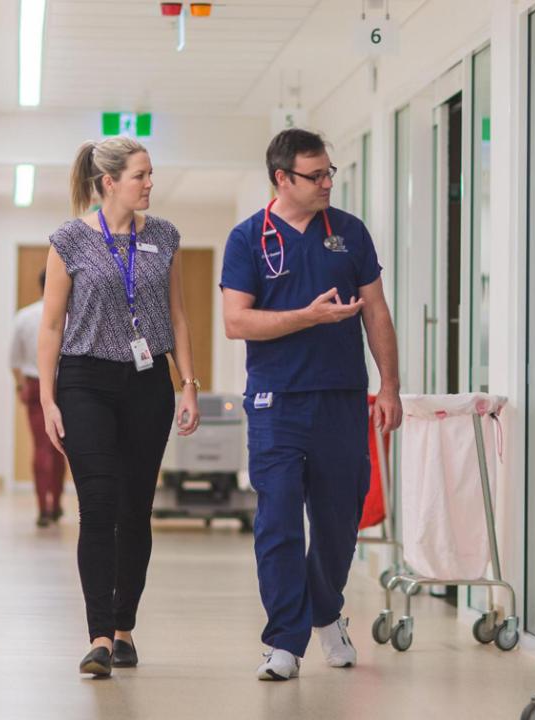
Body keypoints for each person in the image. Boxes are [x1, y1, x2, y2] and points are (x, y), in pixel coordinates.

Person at [220, 128, 402, 681]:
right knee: (278, 518)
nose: (326, 182)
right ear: (282, 178)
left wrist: (389, 386)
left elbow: (376, 311)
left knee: (339, 517)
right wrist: (307, 316)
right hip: (276, 402)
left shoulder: (348, 233)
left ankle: (326, 611)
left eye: (329, 173)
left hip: (342, 398)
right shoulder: (248, 238)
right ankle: (283, 641)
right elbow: (236, 321)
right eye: (314, 175)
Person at [36, 136, 201, 678]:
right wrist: (47, 398)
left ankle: (125, 626)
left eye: (151, 173)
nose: (150, 183)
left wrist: (189, 384)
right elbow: (51, 325)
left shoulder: (165, 237)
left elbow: (177, 315)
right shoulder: (69, 240)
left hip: (148, 379)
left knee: (135, 509)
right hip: (85, 381)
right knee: (98, 506)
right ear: (110, 182)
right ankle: (99, 636)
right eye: (141, 175)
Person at [10, 270, 66, 527]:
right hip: (65, 386)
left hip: (34, 385)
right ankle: (56, 504)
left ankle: (42, 507)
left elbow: (14, 360)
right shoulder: (70, 316)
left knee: (41, 447)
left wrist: (22, 386)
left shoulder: (24, 316)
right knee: (61, 449)